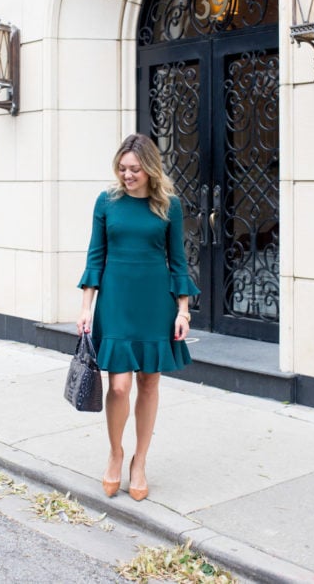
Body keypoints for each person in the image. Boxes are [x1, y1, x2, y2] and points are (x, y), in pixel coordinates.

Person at [76, 133, 199, 501]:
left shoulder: (168, 206)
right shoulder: (106, 202)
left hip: (154, 302)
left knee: (149, 383)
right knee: (119, 386)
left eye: (134, 169)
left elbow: (178, 261)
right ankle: (115, 453)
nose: (127, 175)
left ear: (150, 169)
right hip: (115, 302)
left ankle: (139, 461)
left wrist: (183, 310)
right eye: (122, 168)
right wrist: (86, 307)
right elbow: (95, 256)